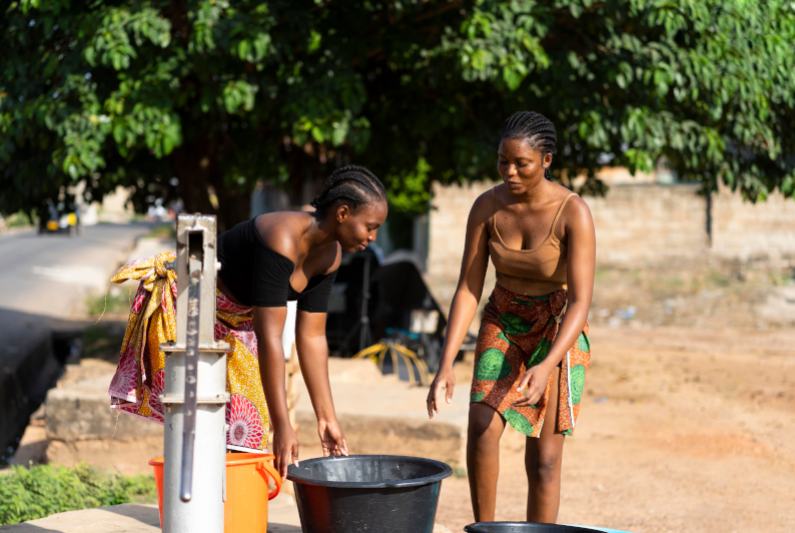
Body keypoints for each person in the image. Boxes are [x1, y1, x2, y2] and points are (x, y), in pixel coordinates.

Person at [107, 165, 388, 478]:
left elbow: (312, 337)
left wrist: (327, 418)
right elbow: (269, 337)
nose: (372, 238)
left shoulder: (330, 256)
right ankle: (196, 513)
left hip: (238, 322)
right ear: (342, 213)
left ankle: (230, 514)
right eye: (370, 227)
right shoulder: (282, 238)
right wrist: (283, 426)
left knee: (247, 426)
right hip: (191, 305)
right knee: (201, 419)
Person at [426, 112, 595, 523]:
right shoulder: (486, 206)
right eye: (503, 161)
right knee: (482, 424)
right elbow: (468, 288)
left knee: (545, 460)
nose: (510, 171)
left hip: (556, 329)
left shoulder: (573, 212)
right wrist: (445, 362)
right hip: (503, 318)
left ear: (547, 160)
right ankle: (483, 529)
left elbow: (580, 303)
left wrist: (547, 364)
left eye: (522, 163)